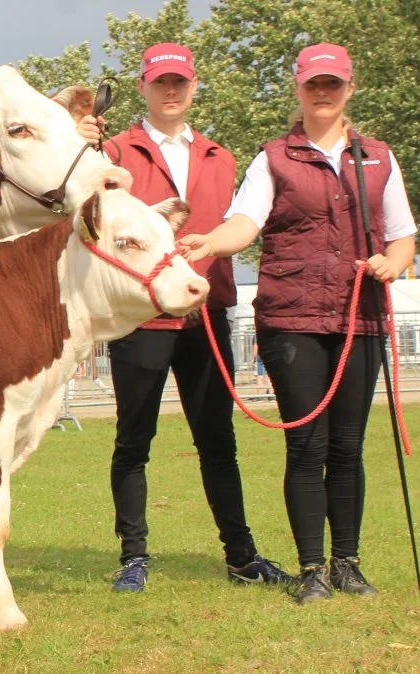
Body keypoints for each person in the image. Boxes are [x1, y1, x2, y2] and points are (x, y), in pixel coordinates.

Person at [181, 43, 416, 604]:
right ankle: (312, 568)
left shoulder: (378, 158)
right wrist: (210, 242)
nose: (324, 92)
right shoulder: (274, 158)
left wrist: (395, 261)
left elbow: (403, 232)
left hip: (359, 318)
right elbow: (245, 222)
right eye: (314, 84)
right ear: (299, 89)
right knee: (307, 447)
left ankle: (348, 565)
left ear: (350, 88)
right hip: (292, 319)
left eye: (333, 83)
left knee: (349, 447)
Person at [78, 43, 292, 592]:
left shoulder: (221, 157)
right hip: (141, 318)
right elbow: (81, 200)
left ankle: (241, 557)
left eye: (179, 82)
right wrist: (83, 149)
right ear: (144, 87)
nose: (170, 91)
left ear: (193, 86)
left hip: (207, 314)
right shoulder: (116, 151)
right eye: (159, 82)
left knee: (218, 441)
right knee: (134, 442)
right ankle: (134, 557)